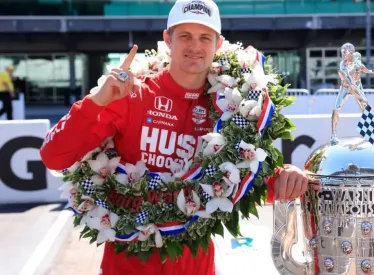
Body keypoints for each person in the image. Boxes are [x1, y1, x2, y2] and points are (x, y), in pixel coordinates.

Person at [40, 0, 309, 274]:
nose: (195, 46)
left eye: (205, 37)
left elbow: (244, 179)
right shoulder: (131, 94)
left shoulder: (232, 106)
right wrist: (96, 101)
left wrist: (286, 176)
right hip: (126, 266)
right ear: (168, 39)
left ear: (218, 44)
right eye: (185, 36)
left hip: (198, 267)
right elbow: (53, 156)